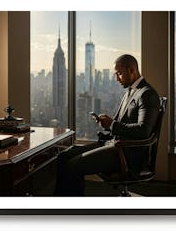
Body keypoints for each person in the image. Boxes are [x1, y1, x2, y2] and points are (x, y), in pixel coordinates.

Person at [53, 54, 160, 196]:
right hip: (113, 144)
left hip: (126, 153)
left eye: (119, 74)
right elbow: (118, 124)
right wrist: (107, 124)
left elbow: (144, 131)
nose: (117, 78)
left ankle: (69, 211)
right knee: (63, 157)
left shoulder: (147, 94)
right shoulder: (130, 92)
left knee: (72, 166)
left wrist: (112, 125)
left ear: (132, 70)